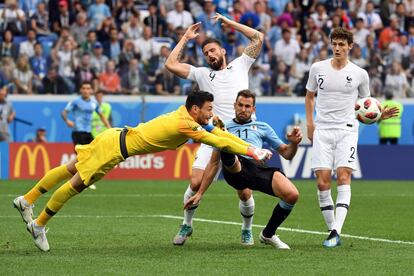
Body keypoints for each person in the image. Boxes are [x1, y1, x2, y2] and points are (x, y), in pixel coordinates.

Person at [13, 91, 272, 252]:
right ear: (195, 110)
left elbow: (220, 134)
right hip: (114, 150)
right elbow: (219, 141)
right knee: (77, 183)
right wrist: (252, 151)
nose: (212, 114)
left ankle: (27, 200)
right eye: (208, 110)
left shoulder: (186, 116)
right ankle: (39, 225)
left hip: (113, 136)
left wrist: (247, 147)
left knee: (70, 167)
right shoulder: (185, 124)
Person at [165, 13, 264, 245]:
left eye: (212, 50)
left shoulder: (241, 65)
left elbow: (258, 38)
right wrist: (185, 38)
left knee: (244, 191)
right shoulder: (202, 74)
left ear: (223, 52)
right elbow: (170, 64)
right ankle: (186, 225)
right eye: (206, 52)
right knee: (195, 182)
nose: (209, 54)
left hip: (241, 136)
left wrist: (230, 24)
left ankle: (246, 229)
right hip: (213, 135)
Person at [305, 28, 399, 248]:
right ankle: (332, 231)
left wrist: (379, 116)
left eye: (341, 44)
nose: (337, 48)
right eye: (334, 44)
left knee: (343, 176)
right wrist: (310, 124)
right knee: (322, 183)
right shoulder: (317, 68)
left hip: (347, 129)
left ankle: (336, 231)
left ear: (350, 46)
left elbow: (366, 107)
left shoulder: (360, 74)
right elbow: (309, 96)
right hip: (323, 130)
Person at [185, 90, 301, 248]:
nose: (243, 109)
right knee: (228, 147)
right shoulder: (222, 128)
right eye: (240, 105)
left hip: (256, 170)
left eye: (248, 106)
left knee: (292, 195)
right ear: (234, 106)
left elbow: (287, 154)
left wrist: (294, 143)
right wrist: (200, 193)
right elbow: (213, 163)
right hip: (234, 169)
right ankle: (233, 151)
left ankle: (268, 234)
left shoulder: (263, 127)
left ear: (253, 109)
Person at [62, 81, 111, 146]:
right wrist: (67, 121)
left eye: (88, 89)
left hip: (88, 132)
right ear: (80, 90)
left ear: (91, 90)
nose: (85, 91)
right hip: (77, 132)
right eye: (83, 88)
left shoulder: (94, 103)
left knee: (94, 152)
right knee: (82, 154)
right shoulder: (75, 102)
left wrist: (109, 128)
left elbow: (102, 116)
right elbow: (64, 112)